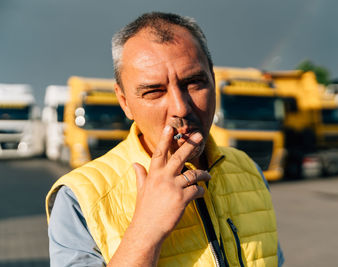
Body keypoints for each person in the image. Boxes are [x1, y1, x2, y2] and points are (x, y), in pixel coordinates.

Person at [46, 12, 284, 267]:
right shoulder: (79, 198)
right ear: (125, 102)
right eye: (154, 92)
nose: (180, 108)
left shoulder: (249, 171)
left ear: (213, 81)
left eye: (194, 83)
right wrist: (146, 231)